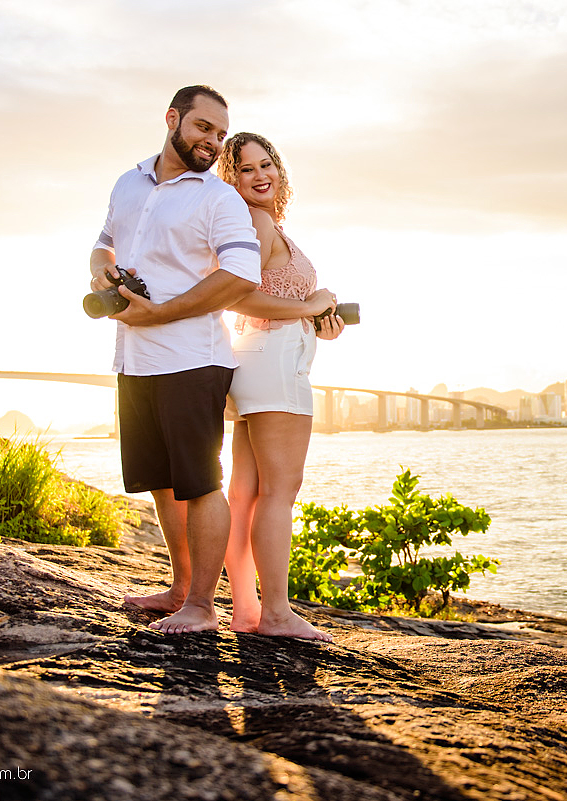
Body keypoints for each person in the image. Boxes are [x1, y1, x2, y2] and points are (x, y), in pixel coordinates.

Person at [90, 86, 261, 634]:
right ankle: (181, 588)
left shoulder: (219, 199)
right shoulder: (127, 182)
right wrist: (102, 268)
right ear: (173, 120)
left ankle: (203, 608)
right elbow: (103, 241)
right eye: (202, 128)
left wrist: (159, 313)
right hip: (134, 358)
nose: (212, 142)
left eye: (219, 133)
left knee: (199, 482)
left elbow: (239, 276)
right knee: (163, 483)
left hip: (193, 360)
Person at [214, 132, 344, 641]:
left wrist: (317, 320)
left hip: (257, 361)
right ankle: (275, 615)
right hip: (274, 369)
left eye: (266, 164)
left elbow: (270, 299)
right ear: (232, 179)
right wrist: (309, 307)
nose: (259, 175)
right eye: (245, 169)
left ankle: (246, 610)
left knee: (245, 494)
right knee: (279, 493)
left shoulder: (260, 224)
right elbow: (241, 297)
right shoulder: (257, 222)